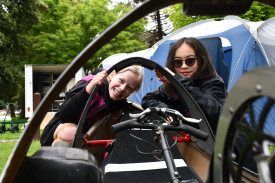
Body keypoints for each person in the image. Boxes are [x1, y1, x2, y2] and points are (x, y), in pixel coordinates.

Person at [40, 65, 143, 146]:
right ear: (112, 74)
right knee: (71, 133)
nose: (122, 88)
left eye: (129, 88)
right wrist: (89, 89)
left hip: (85, 138)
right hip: (60, 129)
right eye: (121, 81)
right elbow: (64, 115)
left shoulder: (119, 103)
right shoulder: (89, 82)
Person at [141, 37, 227, 134]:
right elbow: (147, 99)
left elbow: (212, 111)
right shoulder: (172, 85)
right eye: (178, 62)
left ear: (201, 61)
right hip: (192, 143)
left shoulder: (213, 82)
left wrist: (179, 83)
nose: (184, 66)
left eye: (190, 61)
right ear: (172, 65)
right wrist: (168, 111)